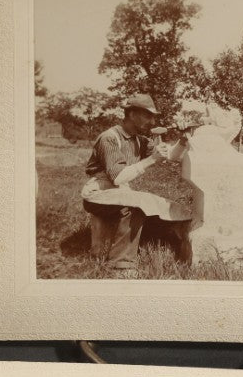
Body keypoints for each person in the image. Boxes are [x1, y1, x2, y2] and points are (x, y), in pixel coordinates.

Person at [80, 93, 189, 273]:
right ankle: (121, 265)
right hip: (97, 195)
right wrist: (151, 159)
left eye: (153, 116)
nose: (152, 122)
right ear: (131, 114)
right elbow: (118, 177)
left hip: (118, 193)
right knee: (134, 208)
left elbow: (171, 156)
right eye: (148, 115)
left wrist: (183, 140)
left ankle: (157, 248)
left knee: (160, 208)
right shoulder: (109, 138)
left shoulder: (141, 140)